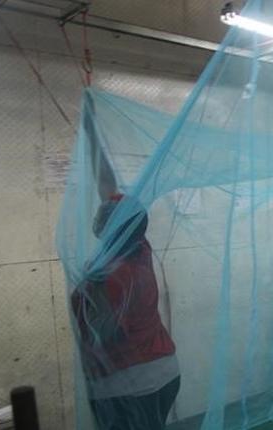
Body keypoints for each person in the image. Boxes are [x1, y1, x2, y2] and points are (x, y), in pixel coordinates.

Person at [70, 98, 180, 430]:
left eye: (102, 215)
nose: (97, 213)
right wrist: (91, 132)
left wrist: (90, 293)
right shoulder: (137, 247)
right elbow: (107, 185)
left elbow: (108, 335)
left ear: (110, 229)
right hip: (161, 372)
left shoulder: (110, 275)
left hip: (129, 386)